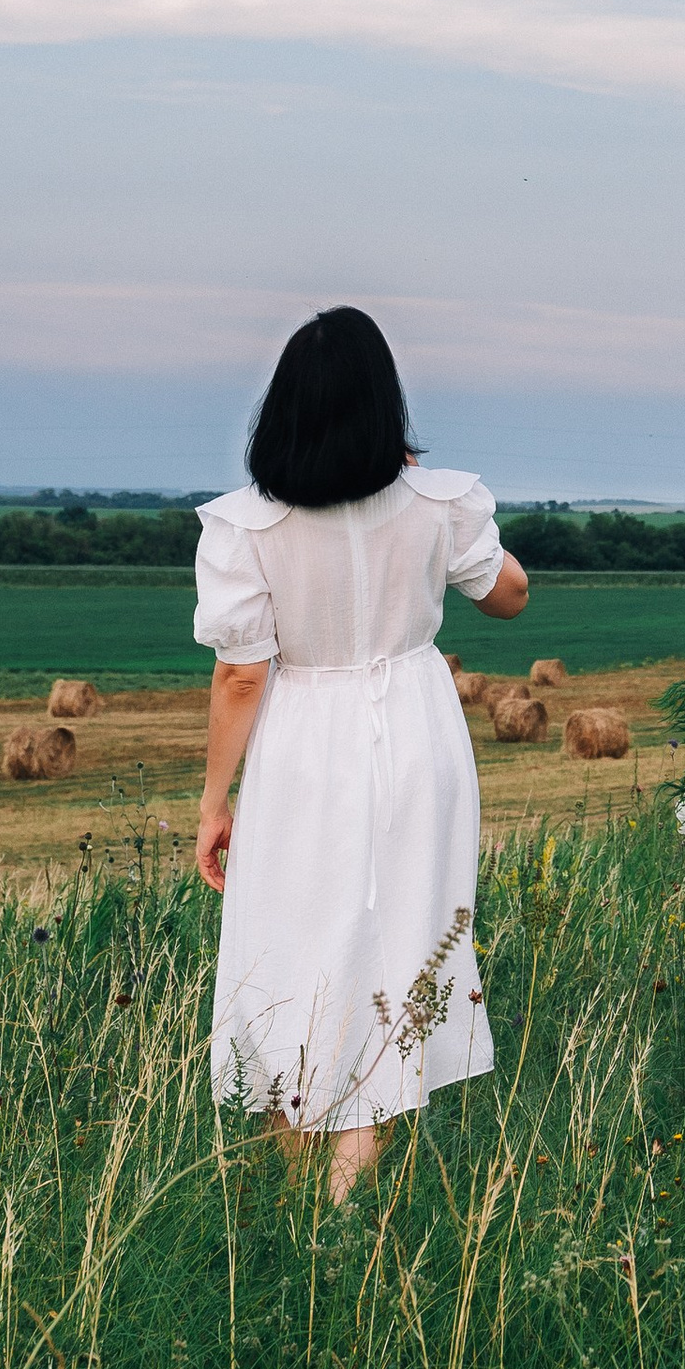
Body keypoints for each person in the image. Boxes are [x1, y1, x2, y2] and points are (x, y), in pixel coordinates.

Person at [194, 308, 527, 1200]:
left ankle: (316, 1194)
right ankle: (339, 1192)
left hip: (304, 739)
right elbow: (511, 599)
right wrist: (436, 512)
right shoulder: (443, 503)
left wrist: (214, 801)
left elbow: (238, 679)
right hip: (417, 737)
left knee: (290, 941)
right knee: (395, 944)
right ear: (387, 405)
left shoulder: (243, 527)